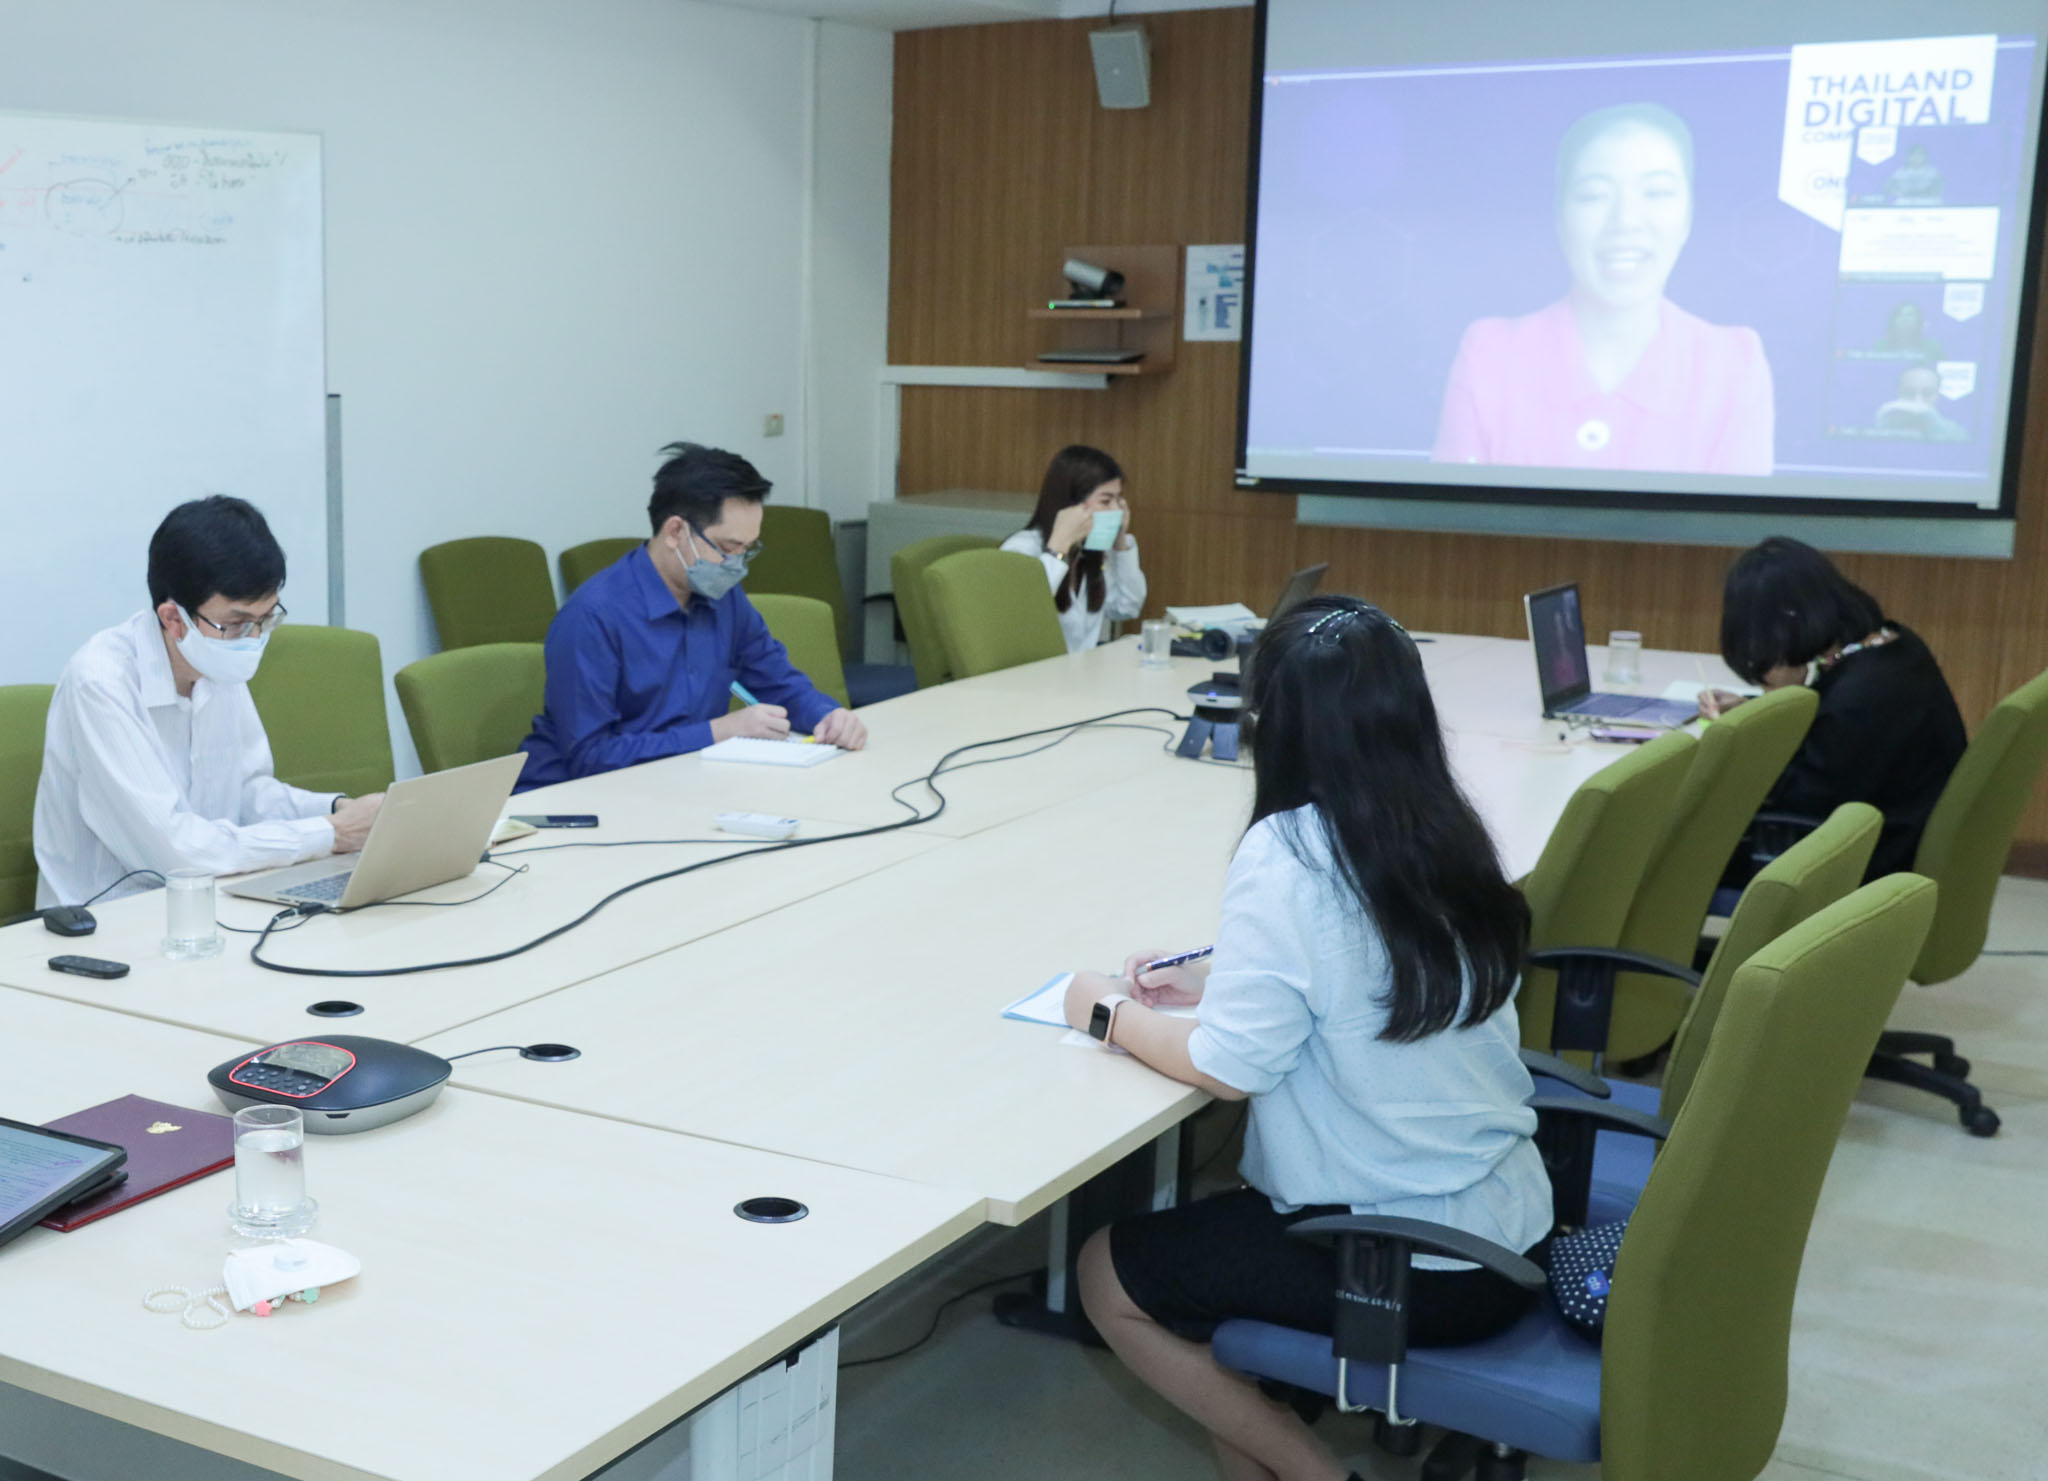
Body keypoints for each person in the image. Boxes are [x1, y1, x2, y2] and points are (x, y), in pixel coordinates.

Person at [1061, 597, 1551, 1481]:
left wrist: (1102, 1009)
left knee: (1108, 1274)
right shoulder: (1446, 827)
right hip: (1506, 1223)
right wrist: (1221, 978)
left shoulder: (1288, 851)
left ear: (1275, 725)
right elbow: (1374, 969)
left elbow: (1226, 1068)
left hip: (1406, 1255)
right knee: (1218, 1269)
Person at [33, 497, 383, 909]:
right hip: (109, 925)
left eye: (266, 619)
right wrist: (333, 833)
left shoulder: (215, 658)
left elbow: (248, 793)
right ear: (172, 618)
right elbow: (176, 854)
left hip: (212, 901)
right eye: (236, 624)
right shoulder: (100, 683)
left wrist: (339, 808)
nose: (253, 639)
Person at [1433, 102, 1774, 476]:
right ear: (1561, 218)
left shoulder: (1734, 364)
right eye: (1594, 195)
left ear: (1689, 216)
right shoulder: (1490, 352)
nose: (1625, 222)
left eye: (1657, 192)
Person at [518, 442, 866, 788]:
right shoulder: (593, 617)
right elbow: (591, 756)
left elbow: (777, 681)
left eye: (748, 549)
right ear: (674, 532)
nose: (737, 566)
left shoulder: (723, 597)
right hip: (571, 804)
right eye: (728, 548)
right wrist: (720, 731)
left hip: (680, 784)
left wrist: (827, 715)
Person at [1701, 537, 1965, 883]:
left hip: (1867, 864)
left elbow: (1789, 797)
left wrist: (1777, 705)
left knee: (1673, 850)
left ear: (1786, 623)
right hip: (1896, 833)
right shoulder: (1892, 650)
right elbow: (1834, 738)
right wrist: (1758, 708)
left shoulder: (1860, 699)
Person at [1000, 445, 1147, 655]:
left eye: (1118, 499)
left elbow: (1127, 606)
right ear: (1072, 504)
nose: (1116, 510)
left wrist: (1120, 543)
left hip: (1079, 673)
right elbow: (1020, 610)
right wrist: (1058, 548)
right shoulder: (1022, 548)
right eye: (1106, 501)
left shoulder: (1087, 552)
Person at [1875, 365, 1967, 441]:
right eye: (1909, 393)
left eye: (1927, 393)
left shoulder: (1955, 433)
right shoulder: (1884, 424)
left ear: (1937, 395)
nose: (1918, 401)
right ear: (1898, 393)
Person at [1878, 301, 1943, 363]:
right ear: (1893, 320)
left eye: (1909, 315)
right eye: (1900, 315)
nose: (1905, 319)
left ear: (1919, 320)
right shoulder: (1881, 347)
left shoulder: (1932, 348)